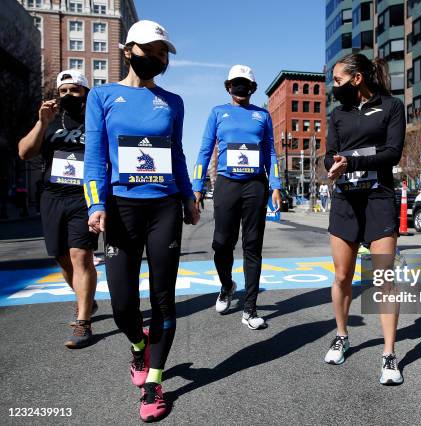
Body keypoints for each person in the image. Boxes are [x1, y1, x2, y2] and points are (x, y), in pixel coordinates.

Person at [84, 20, 199, 422]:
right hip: (121, 208)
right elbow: (95, 158)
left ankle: (154, 382)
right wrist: (95, 204)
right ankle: (137, 345)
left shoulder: (173, 101)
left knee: (163, 298)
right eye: (151, 50)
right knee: (122, 304)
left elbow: (178, 155)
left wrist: (189, 195)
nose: (158, 58)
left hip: (164, 206)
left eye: (164, 52)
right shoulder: (101, 96)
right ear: (128, 49)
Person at [324, 53, 405, 385]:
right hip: (345, 199)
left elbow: (392, 153)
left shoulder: (391, 106)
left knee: (384, 276)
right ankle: (342, 336)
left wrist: (350, 162)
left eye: (339, 80)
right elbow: (329, 152)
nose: (334, 86)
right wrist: (331, 164)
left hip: (379, 199)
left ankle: (388, 354)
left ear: (357, 79)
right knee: (343, 275)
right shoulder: (338, 113)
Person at [192, 65, 282, 330]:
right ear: (228, 86)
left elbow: (271, 153)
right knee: (222, 243)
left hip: (255, 185)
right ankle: (226, 285)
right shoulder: (218, 113)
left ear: (252, 88)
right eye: (235, 83)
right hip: (227, 184)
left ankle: (250, 309)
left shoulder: (262, 116)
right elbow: (204, 150)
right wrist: (197, 185)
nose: (240, 87)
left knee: (252, 246)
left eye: (245, 83)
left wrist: (275, 185)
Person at [18, 69, 98, 348]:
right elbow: (25, 152)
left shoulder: (96, 121)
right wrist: (42, 122)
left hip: (84, 197)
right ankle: (86, 299)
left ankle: (83, 322)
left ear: (85, 93)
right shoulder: (50, 120)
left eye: (74, 90)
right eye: (63, 91)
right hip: (51, 196)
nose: (68, 96)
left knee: (81, 256)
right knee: (61, 257)